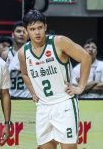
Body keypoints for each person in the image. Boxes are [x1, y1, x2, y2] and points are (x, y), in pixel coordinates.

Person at [18, 9, 92, 149]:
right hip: (43, 106)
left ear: (45, 27)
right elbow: (25, 74)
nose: (37, 32)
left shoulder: (59, 42)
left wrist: (81, 87)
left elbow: (86, 58)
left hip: (64, 103)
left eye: (40, 27)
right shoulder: (23, 52)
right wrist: (33, 91)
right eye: (32, 29)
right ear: (26, 31)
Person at [7, 21, 32, 99]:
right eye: (18, 31)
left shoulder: (33, 53)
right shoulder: (5, 54)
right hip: (10, 97)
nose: (21, 34)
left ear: (28, 36)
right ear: (12, 35)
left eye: (24, 32)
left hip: (28, 97)